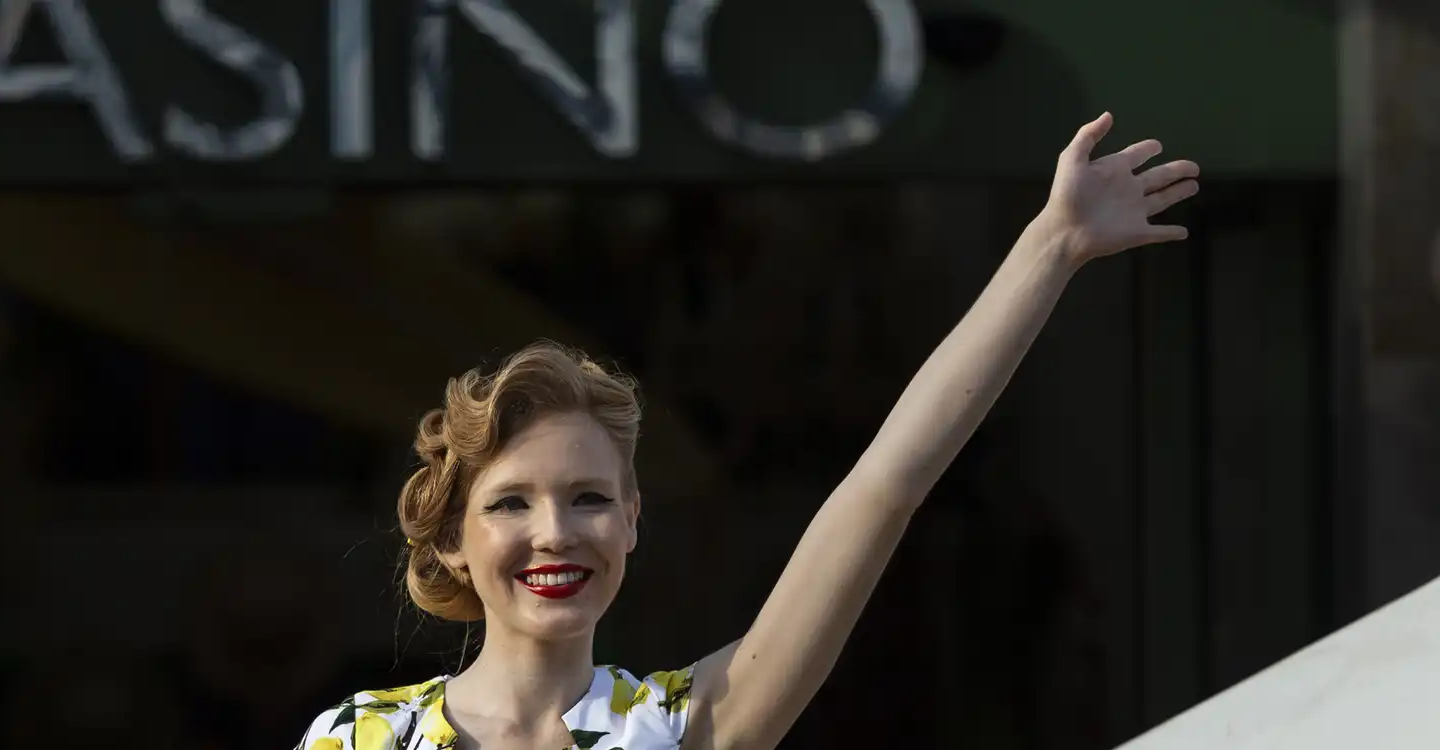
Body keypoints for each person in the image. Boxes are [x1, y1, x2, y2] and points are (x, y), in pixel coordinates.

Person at [296, 112, 1199, 750]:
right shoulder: (361, 739)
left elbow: (881, 489)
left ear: (632, 520)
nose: (556, 532)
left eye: (589, 498)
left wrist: (1051, 247)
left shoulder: (684, 728)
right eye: (510, 504)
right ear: (450, 537)